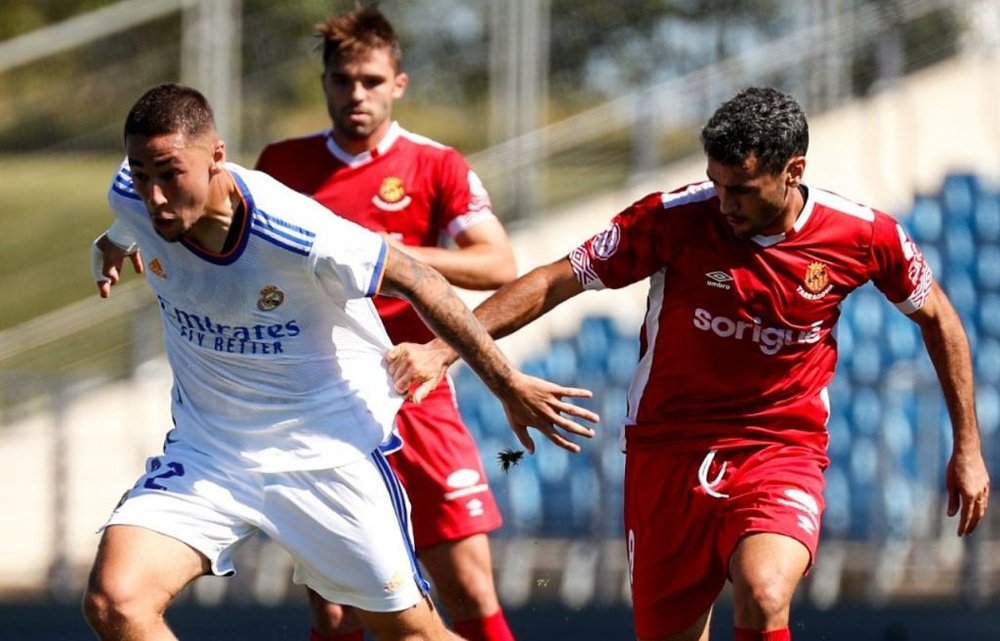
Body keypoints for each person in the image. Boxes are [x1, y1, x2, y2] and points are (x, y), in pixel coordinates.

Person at [387, 87, 992, 641]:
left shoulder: (865, 236)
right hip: (667, 453)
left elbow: (939, 318)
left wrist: (966, 446)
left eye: (743, 190)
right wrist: (444, 349)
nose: (723, 203)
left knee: (764, 590)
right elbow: (554, 280)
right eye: (716, 183)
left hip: (778, 448)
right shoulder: (673, 218)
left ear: (794, 171)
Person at [82, 82, 598, 641]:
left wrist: (504, 381)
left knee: (412, 634)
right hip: (211, 452)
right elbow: (134, 210)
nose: (154, 195)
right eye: (141, 174)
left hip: (325, 455)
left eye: (169, 173)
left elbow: (423, 281)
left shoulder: (299, 232)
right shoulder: (132, 196)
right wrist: (116, 242)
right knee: (116, 604)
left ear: (216, 158)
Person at [253, 7, 518, 641]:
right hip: (321, 398)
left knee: (469, 584)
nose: (356, 95)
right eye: (343, 80)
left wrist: (388, 253)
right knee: (338, 605)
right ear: (325, 83)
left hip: (413, 388)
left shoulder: (436, 165)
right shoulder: (281, 166)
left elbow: (498, 262)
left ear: (399, 83)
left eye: (371, 81)